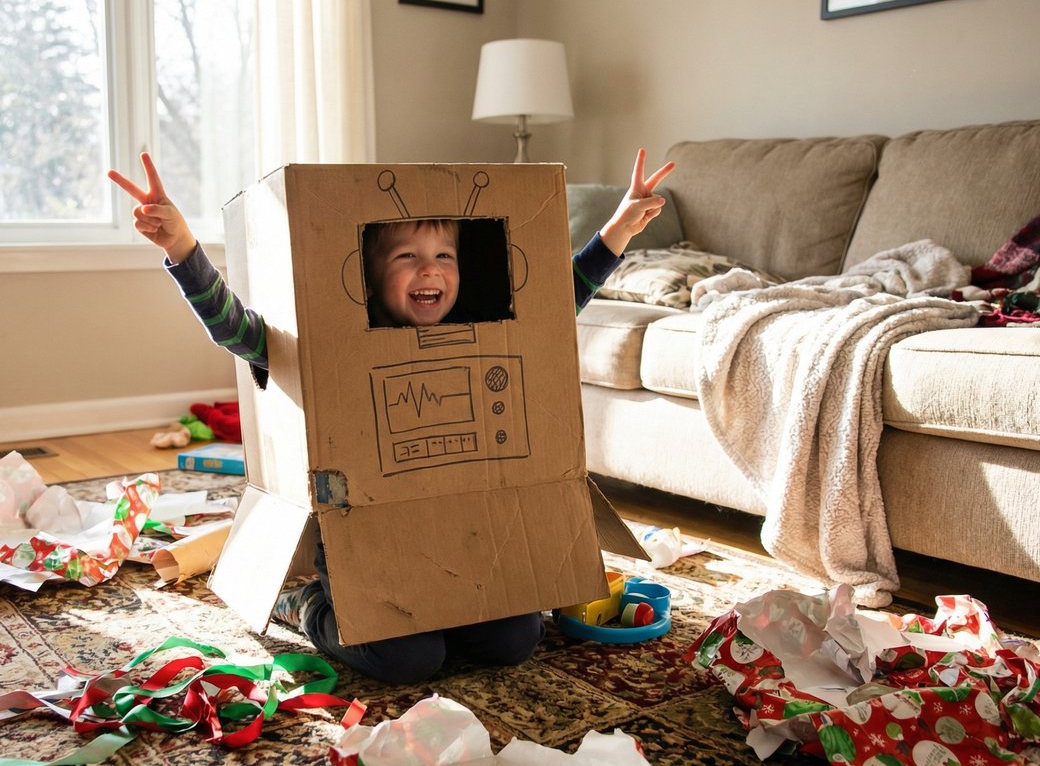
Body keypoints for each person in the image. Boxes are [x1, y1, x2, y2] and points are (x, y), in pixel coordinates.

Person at [109, 150, 675, 684]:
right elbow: (235, 328)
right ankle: (303, 601)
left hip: (471, 527)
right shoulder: (327, 338)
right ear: (369, 275)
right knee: (408, 658)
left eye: (443, 257)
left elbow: (557, 299)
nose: (429, 270)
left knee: (514, 641)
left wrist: (619, 229)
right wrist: (183, 247)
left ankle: (445, 613)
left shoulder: (489, 325)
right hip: (367, 540)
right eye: (407, 257)